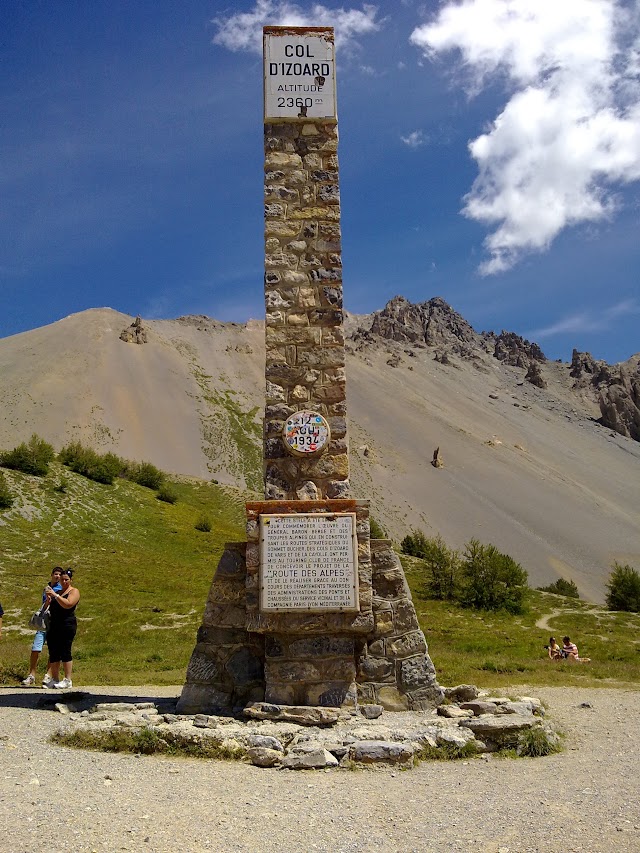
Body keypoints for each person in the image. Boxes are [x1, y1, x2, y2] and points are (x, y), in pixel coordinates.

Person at [22, 567, 63, 686]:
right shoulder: (47, 588)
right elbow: (44, 604)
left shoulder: (62, 589)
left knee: (53, 649)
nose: (57, 577)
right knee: (36, 648)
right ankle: (31, 675)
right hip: (44, 621)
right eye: (56, 574)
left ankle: (49, 675)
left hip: (55, 622)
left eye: (60, 575)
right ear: (51, 575)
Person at [44, 568, 80, 689]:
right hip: (54, 624)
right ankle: (54, 678)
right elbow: (49, 606)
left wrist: (55, 596)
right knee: (53, 651)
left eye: (66, 579)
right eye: (62, 579)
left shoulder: (73, 591)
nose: (64, 582)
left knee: (65, 650)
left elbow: (68, 604)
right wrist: (49, 599)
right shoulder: (58, 592)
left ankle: (67, 679)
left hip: (67, 624)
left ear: (70, 580)